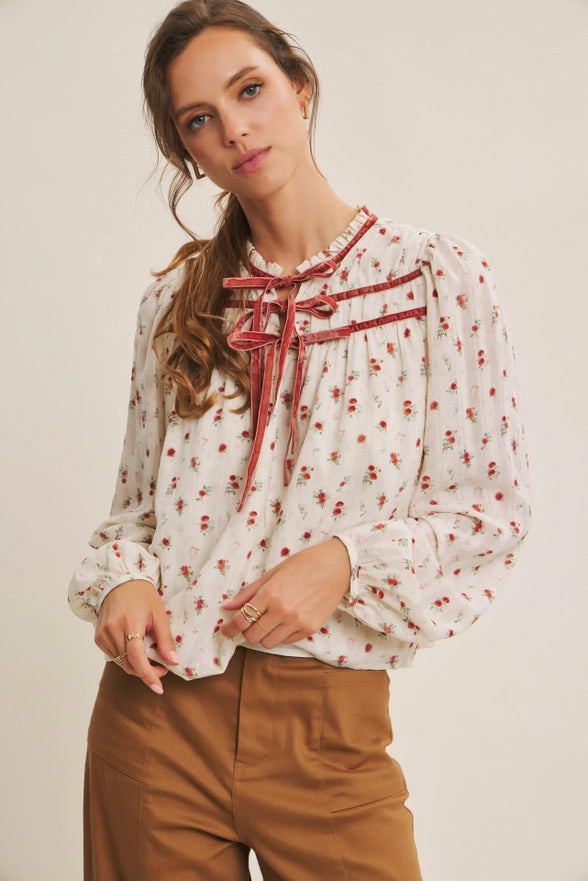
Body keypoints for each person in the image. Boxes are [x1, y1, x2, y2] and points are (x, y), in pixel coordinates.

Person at [69, 1, 531, 878]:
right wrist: (123, 584)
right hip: (154, 719)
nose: (234, 129)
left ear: (301, 88)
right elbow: (134, 516)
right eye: (199, 119)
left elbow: (488, 514)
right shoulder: (173, 309)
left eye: (250, 91)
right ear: (187, 152)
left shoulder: (433, 281)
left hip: (327, 728)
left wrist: (345, 562)